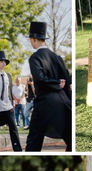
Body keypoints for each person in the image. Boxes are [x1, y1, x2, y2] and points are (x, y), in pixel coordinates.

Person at [26, 22, 72, 152]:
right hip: (63, 103)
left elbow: (39, 78)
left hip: (44, 104)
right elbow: (67, 79)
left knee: (34, 140)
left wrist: (55, 82)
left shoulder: (34, 58)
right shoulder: (57, 57)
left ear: (33, 39)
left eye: (30, 40)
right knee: (69, 139)